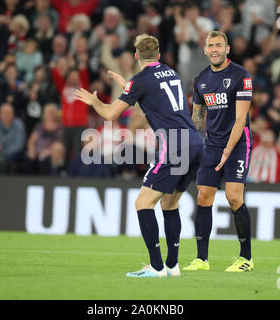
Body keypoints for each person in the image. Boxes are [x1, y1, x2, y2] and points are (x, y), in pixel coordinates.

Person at [75, 34, 204, 278]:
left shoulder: (140, 81)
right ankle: (172, 266)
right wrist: (129, 89)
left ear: (136, 56)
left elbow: (111, 114)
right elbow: (155, 96)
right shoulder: (170, 72)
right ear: (158, 55)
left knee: (143, 203)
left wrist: (95, 101)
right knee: (169, 202)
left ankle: (156, 267)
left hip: (174, 144)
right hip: (196, 142)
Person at [183, 31, 254, 272]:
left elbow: (241, 118)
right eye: (210, 45)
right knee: (204, 197)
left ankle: (246, 259)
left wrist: (228, 150)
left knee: (234, 197)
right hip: (212, 145)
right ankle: (201, 260)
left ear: (227, 49)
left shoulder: (241, 76)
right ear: (204, 50)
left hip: (238, 143)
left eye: (218, 45)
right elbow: (198, 118)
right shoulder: (200, 79)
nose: (214, 49)